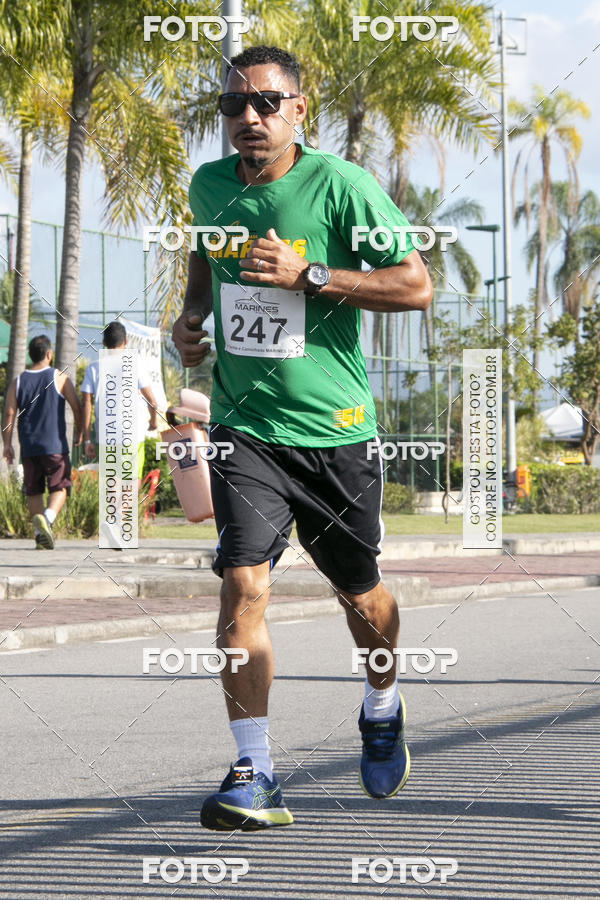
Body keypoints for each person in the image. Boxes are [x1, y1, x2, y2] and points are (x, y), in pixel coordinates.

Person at [172, 45, 433, 832]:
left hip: (334, 432)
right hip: (245, 426)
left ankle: (382, 703)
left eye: (265, 104)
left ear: (298, 109)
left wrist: (311, 275)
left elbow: (417, 286)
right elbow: (204, 259)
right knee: (243, 587)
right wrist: (193, 322)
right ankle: (255, 771)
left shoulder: (343, 186)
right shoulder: (210, 185)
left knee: (364, 600)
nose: (248, 119)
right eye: (233, 107)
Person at [2, 334, 83, 549]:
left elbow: (9, 414)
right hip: (54, 445)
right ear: (49, 354)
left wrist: (7, 444)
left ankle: (40, 536)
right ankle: (47, 519)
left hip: (29, 447)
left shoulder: (18, 382)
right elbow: (77, 406)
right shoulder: (59, 377)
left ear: (30, 355)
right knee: (60, 487)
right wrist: (80, 432)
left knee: (34, 490)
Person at [81, 321, 159, 488]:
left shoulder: (93, 369)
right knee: (131, 479)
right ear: (125, 341)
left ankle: (116, 514)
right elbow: (152, 401)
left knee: (112, 480)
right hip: (132, 433)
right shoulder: (135, 365)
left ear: (104, 343)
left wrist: (88, 439)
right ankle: (124, 513)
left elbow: (86, 403)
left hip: (105, 433)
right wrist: (153, 421)